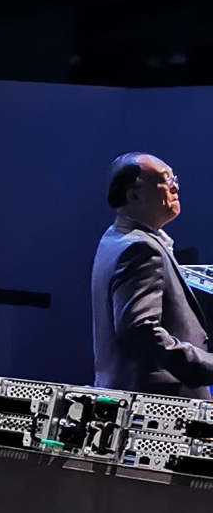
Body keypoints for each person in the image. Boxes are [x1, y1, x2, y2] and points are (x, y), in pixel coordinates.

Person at [91, 153, 213, 392]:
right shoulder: (140, 248)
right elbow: (141, 332)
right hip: (162, 398)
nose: (175, 187)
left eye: (174, 179)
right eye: (166, 181)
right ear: (134, 195)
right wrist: (205, 365)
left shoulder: (115, 237)